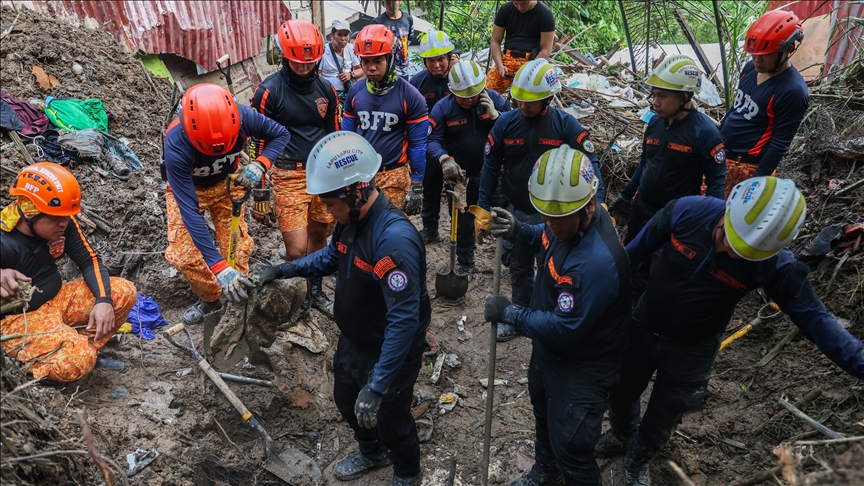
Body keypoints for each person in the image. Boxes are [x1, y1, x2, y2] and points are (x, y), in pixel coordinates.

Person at [597, 177, 864, 486]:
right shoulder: (685, 211)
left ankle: (639, 458)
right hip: (644, 323)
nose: (730, 251)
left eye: (746, 253)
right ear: (728, 211)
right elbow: (630, 257)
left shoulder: (776, 266)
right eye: (728, 237)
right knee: (620, 388)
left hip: (693, 349)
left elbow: (818, 321)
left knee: (666, 413)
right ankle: (621, 433)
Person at [252, 132, 430, 485]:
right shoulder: (349, 221)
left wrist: (379, 385)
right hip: (356, 339)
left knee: (390, 417)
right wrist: (283, 269)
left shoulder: (392, 240)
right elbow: (332, 256)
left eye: (330, 204)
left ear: (356, 192)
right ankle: (371, 452)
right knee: (347, 398)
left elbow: (404, 320)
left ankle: (408, 471)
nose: (327, 211)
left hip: (390, 346)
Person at [483, 146, 630, 485]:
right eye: (543, 214)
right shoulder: (566, 219)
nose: (548, 223)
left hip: (583, 364)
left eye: (556, 218)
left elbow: (565, 328)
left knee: (573, 444)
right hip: (550, 349)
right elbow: (547, 235)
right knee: (544, 411)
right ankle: (546, 471)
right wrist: (522, 230)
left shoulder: (594, 263)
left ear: (588, 207)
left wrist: (511, 314)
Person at [474, 58, 604, 340]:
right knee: (519, 264)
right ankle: (520, 312)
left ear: (548, 97)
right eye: (519, 99)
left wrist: (601, 204)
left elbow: (590, 164)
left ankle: (548, 315)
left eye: (531, 101)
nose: (523, 105)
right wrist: (483, 209)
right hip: (517, 208)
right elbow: (490, 167)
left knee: (552, 265)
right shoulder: (505, 124)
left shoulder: (565, 125)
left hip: (556, 213)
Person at [162, 83, 290, 325]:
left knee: (238, 250)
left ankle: (237, 301)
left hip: (228, 185)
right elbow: (189, 211)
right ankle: (211, 297)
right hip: (190, 190)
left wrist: (260, 163)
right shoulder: (176, 143)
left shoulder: (242, 116)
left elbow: (280, 134)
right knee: (183, 257)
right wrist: (218, 267)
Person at [1, 163, 136, 382]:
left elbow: (89, 261)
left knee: (122, 292)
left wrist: (103, 300)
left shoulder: (63, 222)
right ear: (30, 212)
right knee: (78, 359)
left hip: (55, 301)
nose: (64, 223)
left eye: (66, 216)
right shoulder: (4, 239)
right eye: (55, 217)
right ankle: (46, 362)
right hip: (16, 321)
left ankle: (82, 350)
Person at [250, 19, 340, 317]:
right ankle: (297, 292)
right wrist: (260, 187)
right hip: (287, 175)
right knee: (296, 249)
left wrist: (339, 173)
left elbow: (334, 134)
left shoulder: (327, 89)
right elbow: (257, 139)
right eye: (297, 63)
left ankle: (314, 290)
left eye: (310, 63)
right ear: (284, 58)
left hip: (322, 173)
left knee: (320, 235)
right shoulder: (268, 92)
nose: (304, 68)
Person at [608, 55, 726, 244]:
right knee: (631, 264)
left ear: (685, 96)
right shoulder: (655, 123)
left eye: (662, 96)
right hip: (642, 211)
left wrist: (708, 223)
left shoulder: (706, 133)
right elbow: (645, 163)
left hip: (676, 219)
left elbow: (716, 183)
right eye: (653, 95)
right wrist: (626, 195)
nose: (655, 102)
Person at [425, 60, 510, 278]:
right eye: (463, 95)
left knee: (504, 216)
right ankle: (466, 263)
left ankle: (511, 258)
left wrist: (498, 117)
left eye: (473, 94)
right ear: (453, 91)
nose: (469, 99)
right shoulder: (443, 108)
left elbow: (515, 126)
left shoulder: (494, 99)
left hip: (494, 172)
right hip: (462, 177)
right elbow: (432, 139)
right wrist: (444, 159)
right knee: (463, 222)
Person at [719, 10, 808, 198]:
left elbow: (779, 144)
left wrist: (755, 183)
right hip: (721, 156)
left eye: (765, 55)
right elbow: (735, 109)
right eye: (754, 55)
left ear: (787, 49)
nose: (757, 60)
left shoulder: (792, 90)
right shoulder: (750, 68)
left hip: (749, 167)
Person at [342, 24, 428, 214]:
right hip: (359, 173)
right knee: (359, 231)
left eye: (378, 60)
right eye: (366, 61)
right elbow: (346, 138)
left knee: (388, 233)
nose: (371, 68)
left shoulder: (411, 96)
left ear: (390, 58)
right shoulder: (355, 92)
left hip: (393, 176)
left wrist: (417, 186)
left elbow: (418, 145)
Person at [409, 29, 455, 244]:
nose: (436, 65)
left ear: (449, 58)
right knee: (430, 187)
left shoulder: (460, 79)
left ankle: (461, 232)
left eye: (441, 59)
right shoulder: (417, 83)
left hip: (457, 140)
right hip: (428, 143)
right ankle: (430, 229)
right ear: (424, 61)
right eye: (431, 61)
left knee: (458, 190)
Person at [487, 0, 555, 94]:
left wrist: (528, 70)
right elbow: (495, 41)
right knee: (486, 93)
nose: (520, 7)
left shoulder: (544, 13)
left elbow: (546, 49)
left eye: (524, 4)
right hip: (506, 61)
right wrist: (500, 65)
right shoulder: (505, 9)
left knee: (528, 100)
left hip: (531, 62)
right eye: (516, 4)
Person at [320, 19, 363, 107]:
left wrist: (351, 75)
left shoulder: (351, 49)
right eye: (339, 35)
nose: (343, 38)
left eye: (346, 35)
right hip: (329, 95)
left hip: (348, 93)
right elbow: (318, 74)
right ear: (332, 35)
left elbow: (360, 69)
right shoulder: (323, 52)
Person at [371, 0, 415, 79]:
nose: (392, 5)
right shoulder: (378, 22)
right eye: (388, 2)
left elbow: (409, 38)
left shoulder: (408, 18)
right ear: (383, 4)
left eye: (394, 2)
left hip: (403, 70)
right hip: (385, 71)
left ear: (399, 1)